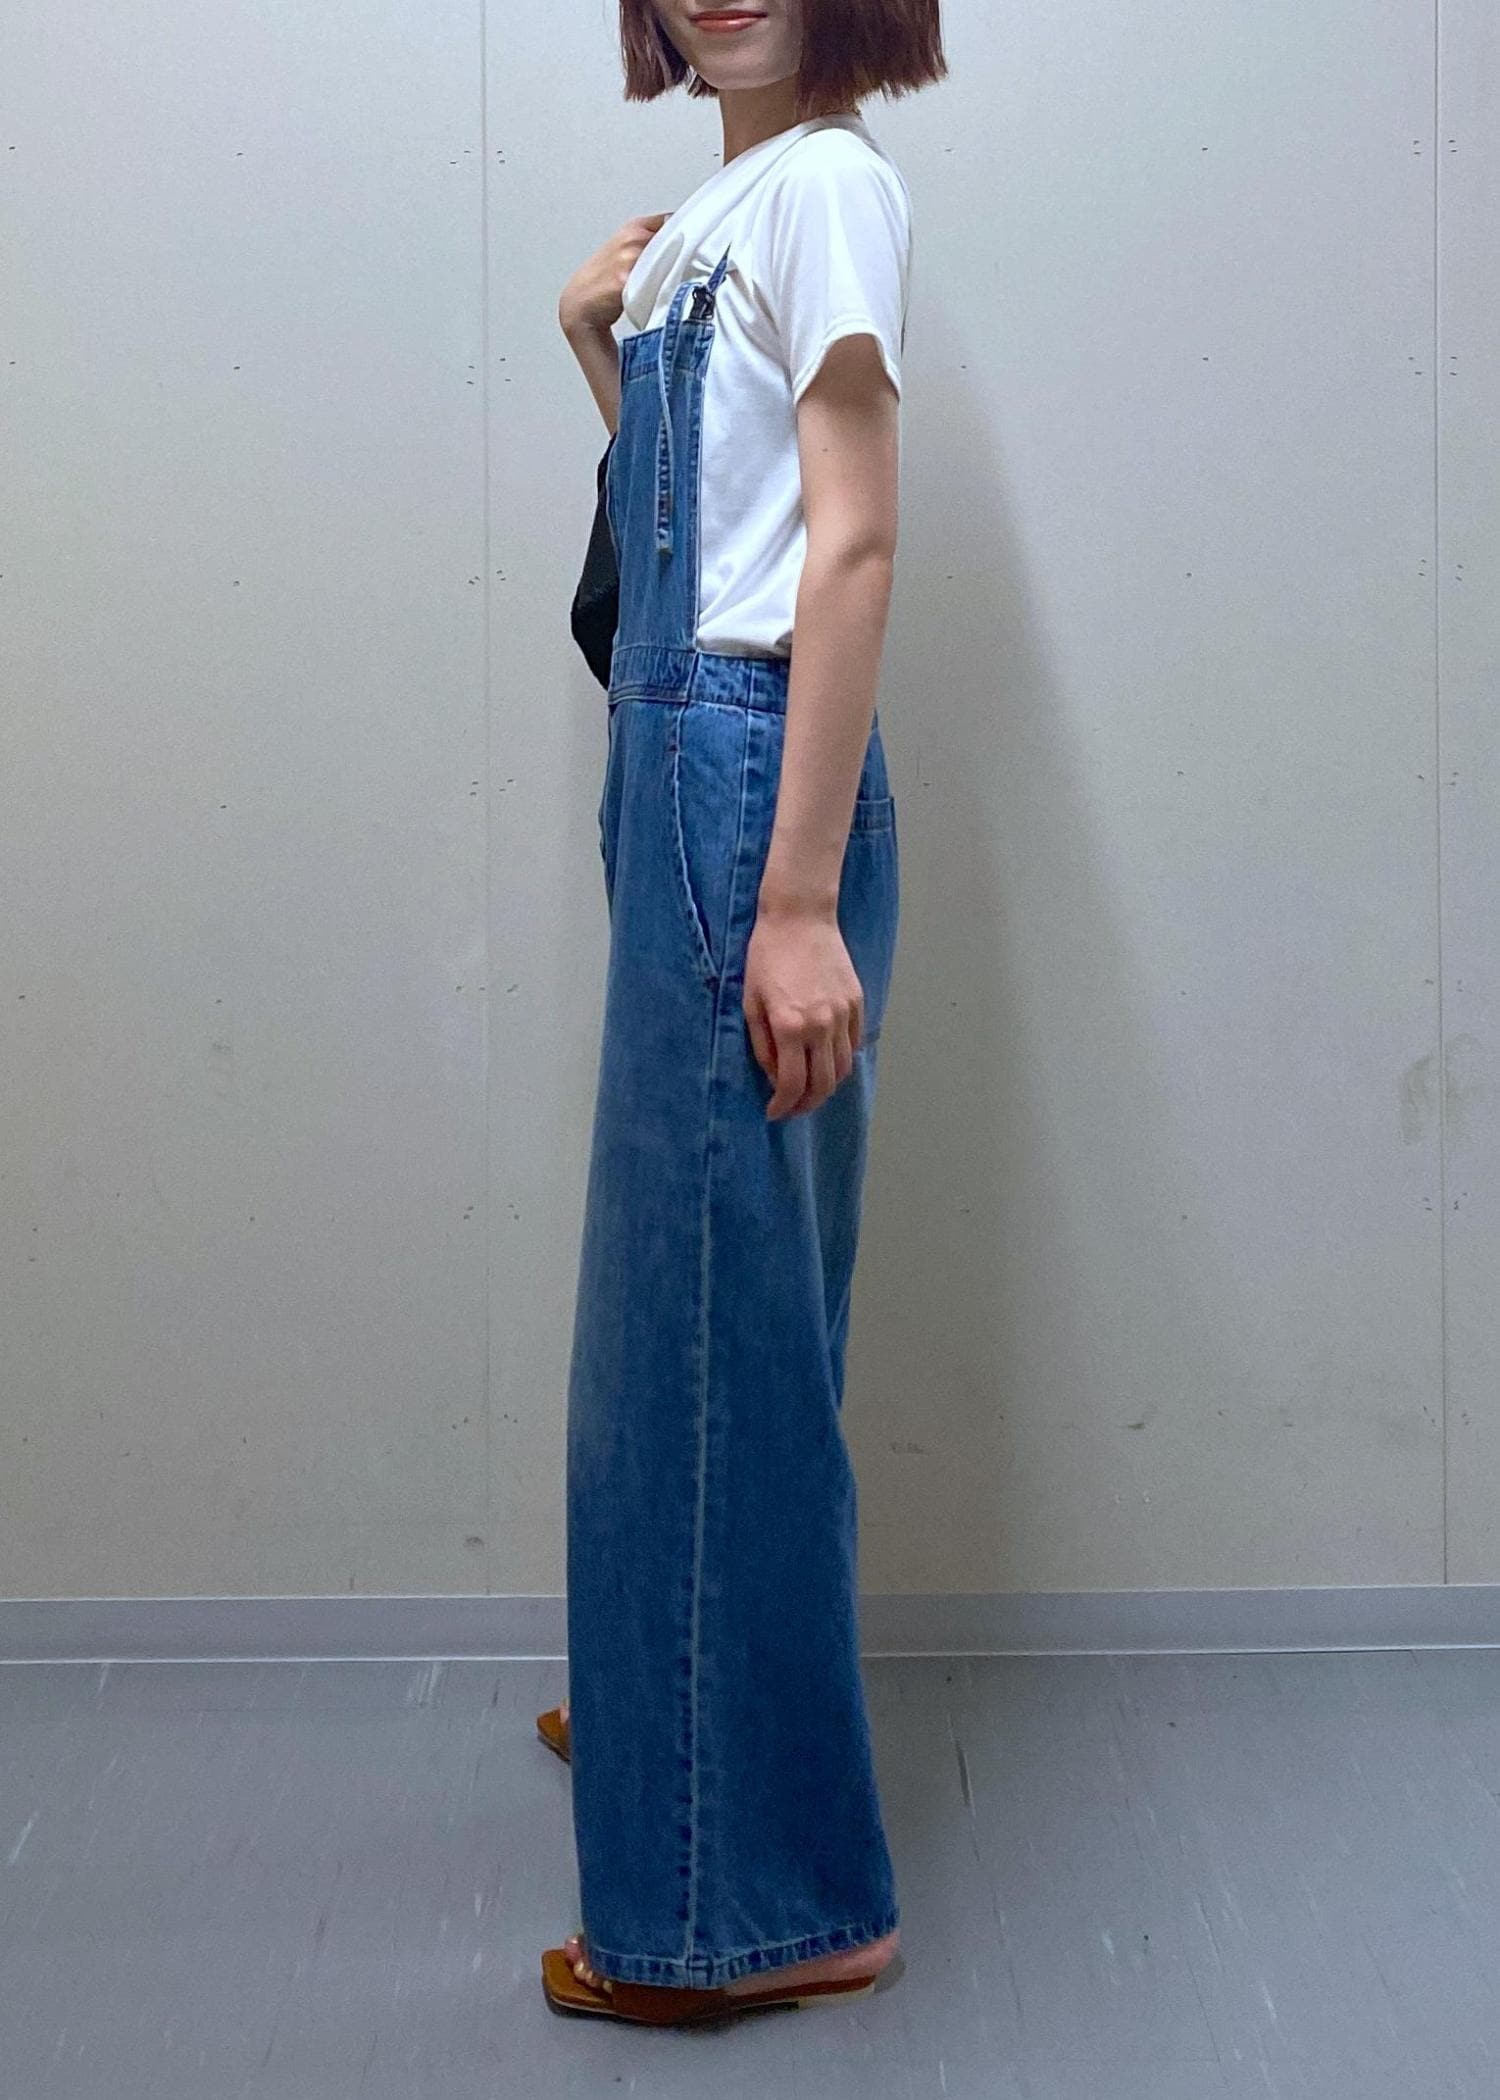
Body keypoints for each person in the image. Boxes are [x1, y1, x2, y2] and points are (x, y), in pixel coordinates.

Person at [543, 0, 946, 2028]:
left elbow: (849, 546)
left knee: (715, 1342)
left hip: (742, 777)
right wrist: (600, 347)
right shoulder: (734, 203)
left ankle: (753, 1908)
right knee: (695, 1314)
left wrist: (794, 900)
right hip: (686, 753)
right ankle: (673, 1693)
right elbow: (716, 522)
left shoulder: (830, 188)